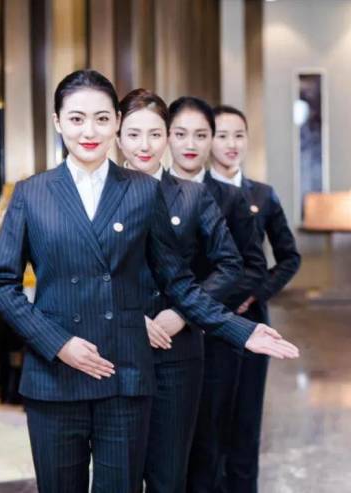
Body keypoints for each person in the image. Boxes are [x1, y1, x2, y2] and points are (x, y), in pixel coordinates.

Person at [0, 70, 299, 493]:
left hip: (125, 378)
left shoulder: (142, 192)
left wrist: (241, 330)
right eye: (76, 119)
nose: (89, 131)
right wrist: (58, 343)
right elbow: (1, 283)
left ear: (116, 122)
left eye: (101, 119)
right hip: (55, 376)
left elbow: (179, 283)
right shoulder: (31, 193)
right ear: (57, 122)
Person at [117, 88, 242, 493]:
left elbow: (230, 264)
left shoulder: (191, 195)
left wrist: (184, 313)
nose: (145, 146)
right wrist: (129, 316)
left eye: (155, 134)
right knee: (118, 475)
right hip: (114, 349)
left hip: (178, 353)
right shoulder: (98, 194)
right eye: (134, 134)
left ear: (167, 136)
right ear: (117, 134)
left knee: (169, 476)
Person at [206, 104, 301, 492]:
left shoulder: (262, 194)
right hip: (205, 323)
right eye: (222, 135)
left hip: (253, 323)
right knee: (208, 426)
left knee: (246, 423)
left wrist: (257, 294)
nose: (231, 144)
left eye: (239, 135)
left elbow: (289, 257)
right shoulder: (195, 191)